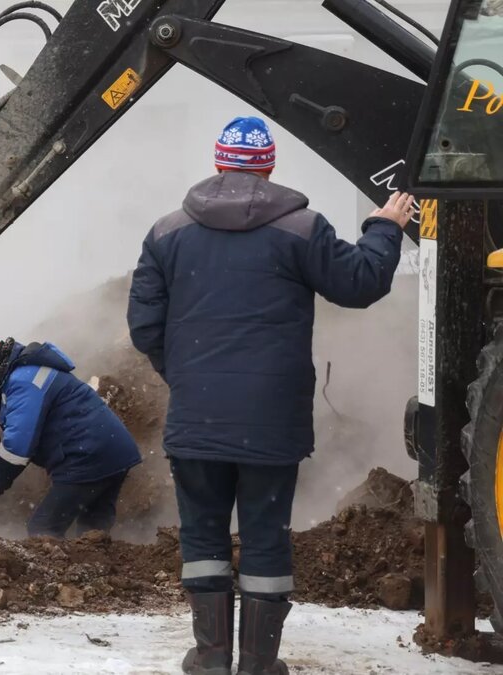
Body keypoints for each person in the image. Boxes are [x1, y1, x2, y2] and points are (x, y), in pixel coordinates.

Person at [126, 116, 411, 675]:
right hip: (271, 423)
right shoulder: (302, 229)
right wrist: (384, 227)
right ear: (269, 166)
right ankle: (258, 664)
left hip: (197, 416)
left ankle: (210, 659)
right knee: (264, 536)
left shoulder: (165, 232)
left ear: (219, 163)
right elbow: (359, 284)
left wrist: (185, 375)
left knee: (204, 535)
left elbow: (144, 327)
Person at [0, 335, 141, 538]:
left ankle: (71, 568)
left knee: (42, 530)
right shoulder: (26, 373)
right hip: (112, 451)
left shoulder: (22, 380)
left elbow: (18, 443)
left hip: (88, 457)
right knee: (93, 531)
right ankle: (98, 567)